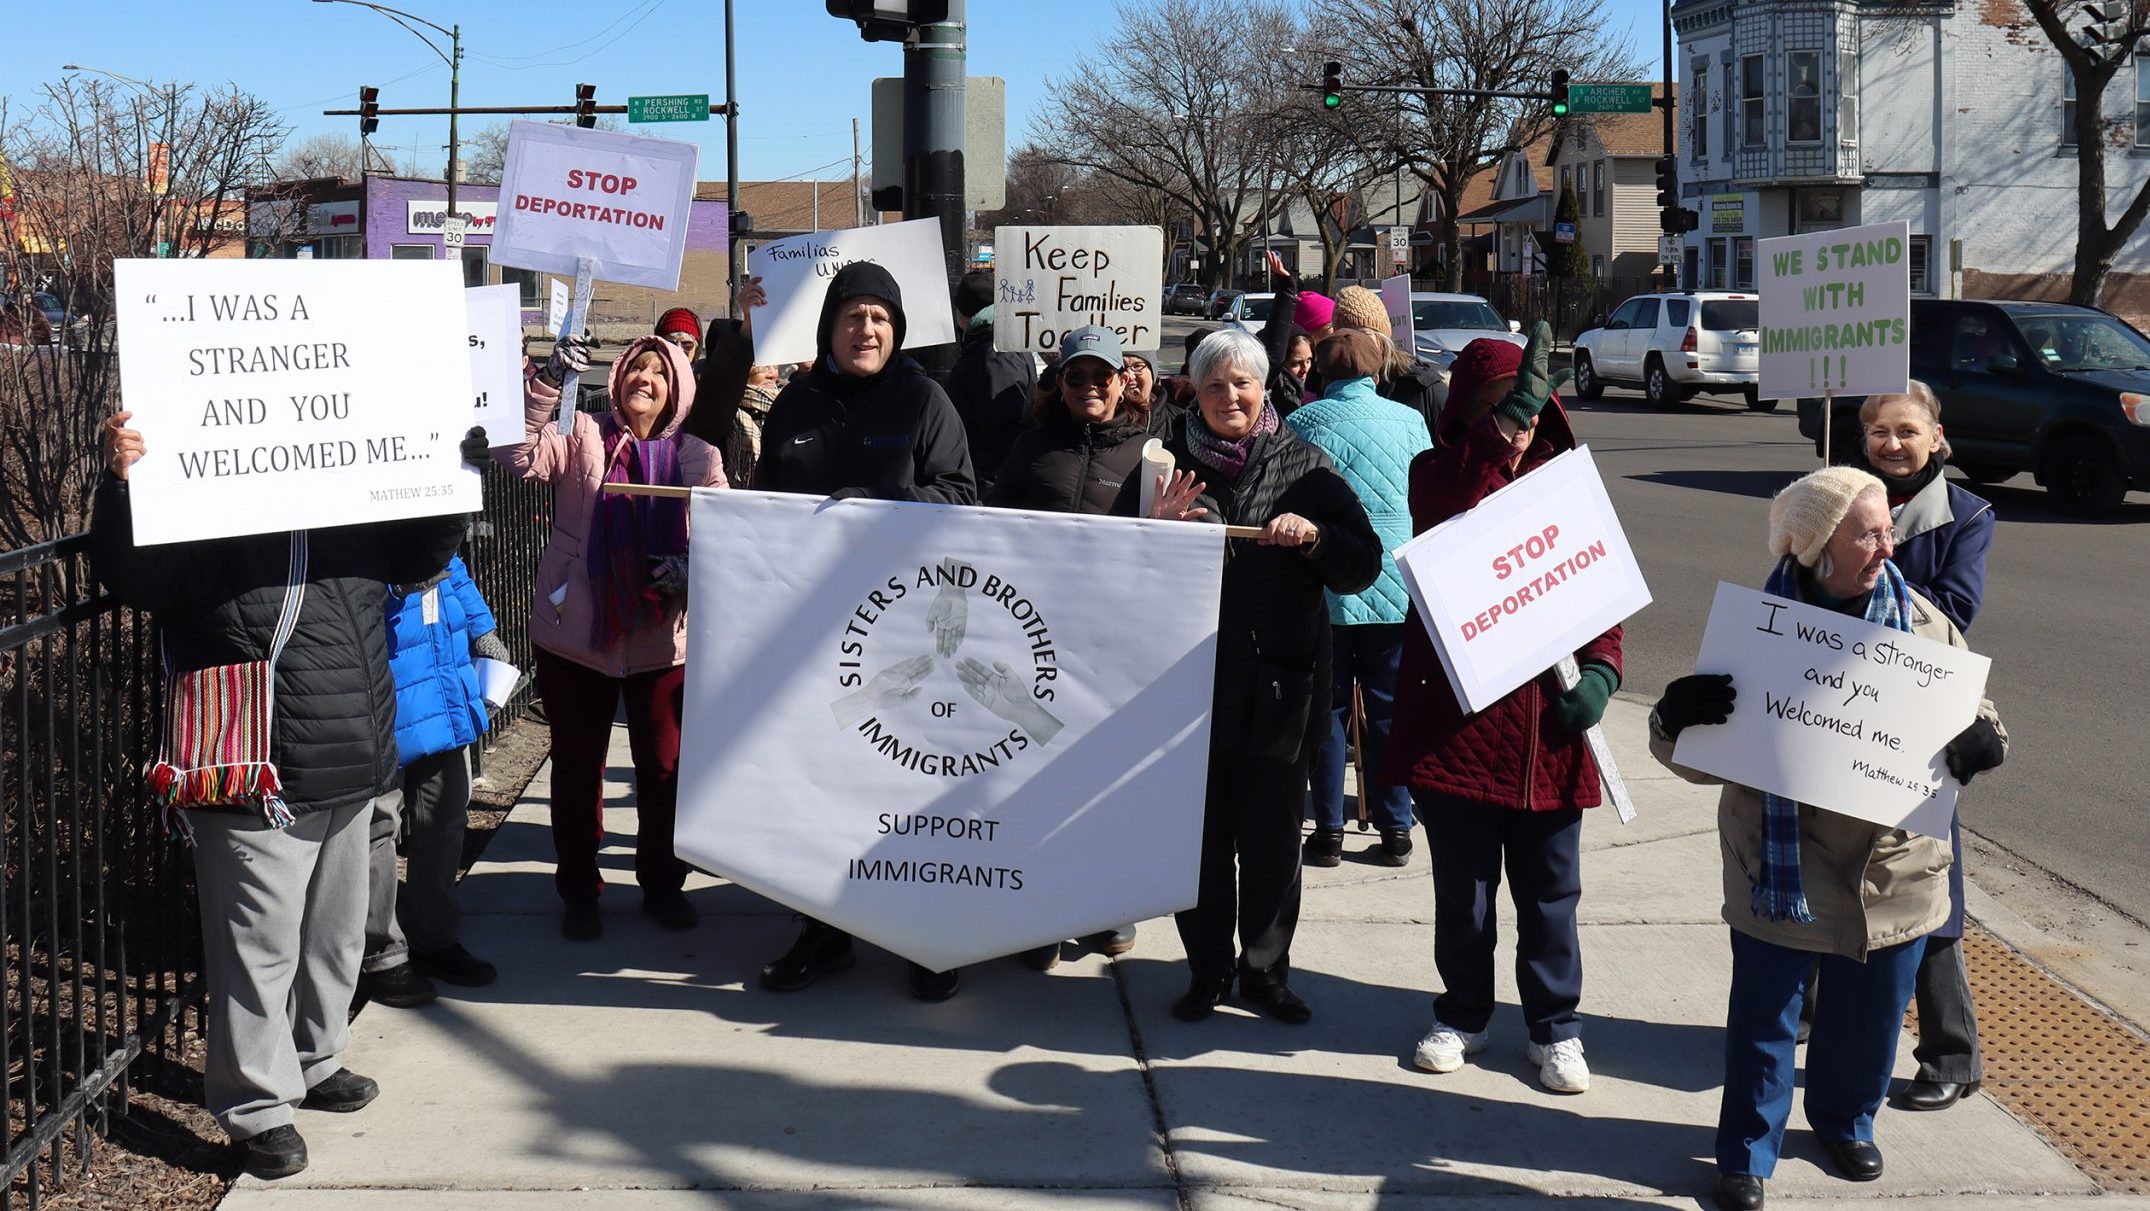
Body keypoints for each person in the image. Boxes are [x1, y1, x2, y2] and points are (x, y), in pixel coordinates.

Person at [90, 412, 473, 1179]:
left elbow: (418, 557)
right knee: (258, 945)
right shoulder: (204, 495)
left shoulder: (353, 490)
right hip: (260, 755)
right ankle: (257, 1104)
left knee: (333, 933)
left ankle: (318, 1056)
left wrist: (449, 476)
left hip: (354, 741)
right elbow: (138, 576)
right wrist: (122, 484)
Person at [1647, 466, 2006, 1211]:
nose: (1888, 544)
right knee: (1764, 1021)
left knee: (1869, 1021)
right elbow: (1699, 759)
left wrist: (1984, 739)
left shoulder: (1927, 626)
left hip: (1895, 870)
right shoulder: (1761, 633)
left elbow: (1982, 713)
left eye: (1888, 529)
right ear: (1817, 546)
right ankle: (1746, 1152)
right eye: (1869, 532)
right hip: (1782, 861)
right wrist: (1673, 718)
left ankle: (1845, 1120)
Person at [1385, 329, 1618, 1096]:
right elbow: (1452, 502)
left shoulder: (1567, 486)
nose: (1516, 425)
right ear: (1468, 412)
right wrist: (1494, 440)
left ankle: (1556, 1028)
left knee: (1553, 897)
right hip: (1460, 730)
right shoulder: (1438, 473)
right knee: (1466, 894)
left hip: (1549, 736)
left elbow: (1600, 597)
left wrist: (1604, 673)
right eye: (1496, 407)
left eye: (1526, 407)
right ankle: (1463, 1012)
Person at [753, 261, 979, 1003]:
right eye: (854, 316)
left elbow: (961, 498)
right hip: (810, 638)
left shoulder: (925, 400)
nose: (867, 329)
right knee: (820, 792)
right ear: (830, 326)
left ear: (897, 328)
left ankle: (925, 938)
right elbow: (761, 513)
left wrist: (887, 500)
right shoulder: (794, 403)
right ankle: (824, 932)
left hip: (903, 638)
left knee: (905, 790)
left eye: (880, 317)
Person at [1141, 327, 1381, 1025]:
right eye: (1214, 385)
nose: (1229, 396)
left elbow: (1363, 561)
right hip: (1191, 689)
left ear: (1262, 387)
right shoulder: (1166, 464)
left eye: (1242, 383)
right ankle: (1207, 969)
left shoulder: (1306, 464)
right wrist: (1152, 528)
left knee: (1275, 836)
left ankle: (1267, 970)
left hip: (1285, 686)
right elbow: (1119, 569)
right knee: (1205, 838)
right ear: (1197, 392)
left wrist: (1315, 538)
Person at [499, 333, 726, 942]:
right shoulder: (582, 435)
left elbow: (726, 540)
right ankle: (579, 888)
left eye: (659, 371)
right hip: (576, 635)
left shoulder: (699, 458)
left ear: (677, 387)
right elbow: (519, 456)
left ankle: (661, 882)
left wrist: (689, 569)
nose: (644, 378)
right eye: (635, 368)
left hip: (661, 640)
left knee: (663, 769)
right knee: (577, 768)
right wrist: (546, 380)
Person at [984, 324, 1152, 967]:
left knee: (1103, 784)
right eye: (1075, 376)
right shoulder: (1033, 445)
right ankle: (1038, 917)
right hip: (1035, 645)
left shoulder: (1147, 452)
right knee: (1036, 782)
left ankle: (1106, 908)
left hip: (1114, 649)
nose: (1088, 387)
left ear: (1121, 382)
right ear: (1058, 382)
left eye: (1100, 376)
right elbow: (994, 527)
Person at [1857, 382, 1997, 1113]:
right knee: (1827, 861)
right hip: (1837, 709)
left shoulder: (1966, 516)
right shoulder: (1832, 499)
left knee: (1928, 887)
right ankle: (1815, 1013)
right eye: (1879, 430)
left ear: (1936, 437)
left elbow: (1957, 608)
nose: (1893, 443)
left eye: (1907, 430)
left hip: (1924, 722)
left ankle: (1953, 1052)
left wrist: (1862, 574)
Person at [1286, 329, 1431, 869]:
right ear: (1377, 372)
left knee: (1327, 710)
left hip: (1327, 580)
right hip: (1395, 581)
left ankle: (1326, 832)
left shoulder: (1302, 423)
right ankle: (1396, 826)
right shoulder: (1410, 422)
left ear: (1323, 374)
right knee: (1390, 709)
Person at [359, 553, 505, 1008]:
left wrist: (482, 629)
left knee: (445, 812)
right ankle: (380, 951)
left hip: (440, 661)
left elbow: (450, 558)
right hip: (382, 668)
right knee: (378, 823)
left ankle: (434, 937)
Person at [943, 268, 1038, 492]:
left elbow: (1000, 431)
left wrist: (984, 489)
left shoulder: (995, 352)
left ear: (963, 311)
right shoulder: (997, 342)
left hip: (987, 484)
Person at [1332, 284, 1448, 441]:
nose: (1355, 344)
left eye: (1363, 334)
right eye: (1346, 336)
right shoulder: (1328, 384)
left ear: (1382, 337)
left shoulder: (1422, 389)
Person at [726, 361, 781, 488]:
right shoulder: (726, 411)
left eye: (775, 366)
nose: (772, 374)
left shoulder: (789, 404)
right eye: (764, 367)